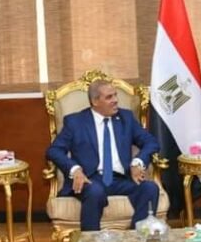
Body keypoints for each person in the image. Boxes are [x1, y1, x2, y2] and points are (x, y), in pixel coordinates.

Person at [46, 79, 160, 232]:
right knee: (95, 192)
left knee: (150, 188)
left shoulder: (126, 118)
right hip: (90, 179)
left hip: (122, 179)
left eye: (115, 95)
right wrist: (75, 170)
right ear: (95, 101)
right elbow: (54, 151)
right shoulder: (76, 122)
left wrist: (137, 162)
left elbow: (151, 142)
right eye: (109, 97)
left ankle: (137, 236)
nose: (115, 100)